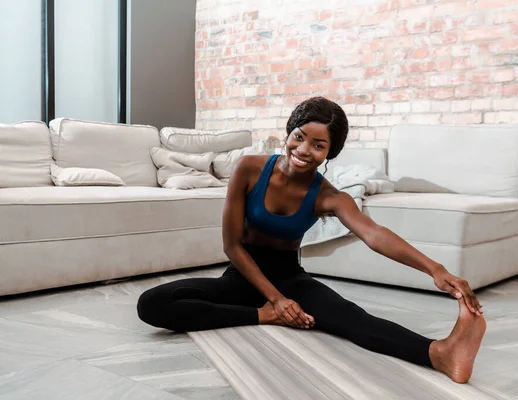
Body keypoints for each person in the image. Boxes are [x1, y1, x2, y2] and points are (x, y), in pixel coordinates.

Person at [137, 96, 486, 384]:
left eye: (318, 145)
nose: (304, 150)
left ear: (330, 154)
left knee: (353, 319)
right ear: (289, 132)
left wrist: (436, 269)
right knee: (153, 303)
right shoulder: (249, 168)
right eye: (300, 136)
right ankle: (262, 316)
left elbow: (374, 234)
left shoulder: (329, 196)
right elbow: (232, 246)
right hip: (243, 275)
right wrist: (273, 306)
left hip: (291, 279)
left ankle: (440, 354)